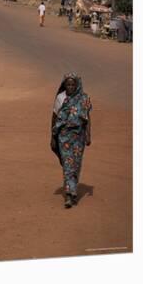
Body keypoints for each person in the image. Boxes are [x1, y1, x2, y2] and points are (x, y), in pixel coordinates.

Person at [51, 73, 92, 208]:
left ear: (77, 85)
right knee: (68, 164)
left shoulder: (83, 98)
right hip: (64, 135)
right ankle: (70, 194)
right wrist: (52, 136)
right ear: (64, 85)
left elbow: (87, 118)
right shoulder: (60, 98)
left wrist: (88, 135)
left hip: (79, 136)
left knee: (76, 163)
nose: (70, 87)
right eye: (68, 84)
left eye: (73, 84)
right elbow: (54, 116)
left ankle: (72, 189)